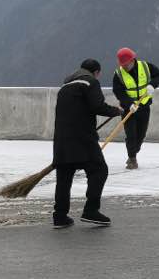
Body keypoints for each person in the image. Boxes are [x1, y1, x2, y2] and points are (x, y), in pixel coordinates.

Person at [52, 59, 126, 229]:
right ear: (97, 72)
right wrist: (116, 111)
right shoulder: (90, 82)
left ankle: (60, 216)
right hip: (82, 138)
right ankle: (91, 210)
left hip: (61, 139)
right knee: (99, 170)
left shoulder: (65, 87)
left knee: (64, 177)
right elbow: (97, 106)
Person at [111, 48, 159, 170]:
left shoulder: (145, 66)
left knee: (141, 135)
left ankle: (133, 151)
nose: (124, 67)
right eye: (122, 65)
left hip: (144, 106)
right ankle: (132, 159)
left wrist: (152, 85)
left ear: (132, 60)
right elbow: (118, 91)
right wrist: (129, 103)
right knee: (131, 135)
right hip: (128, 109)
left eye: (126, 64)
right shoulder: (118, 74)